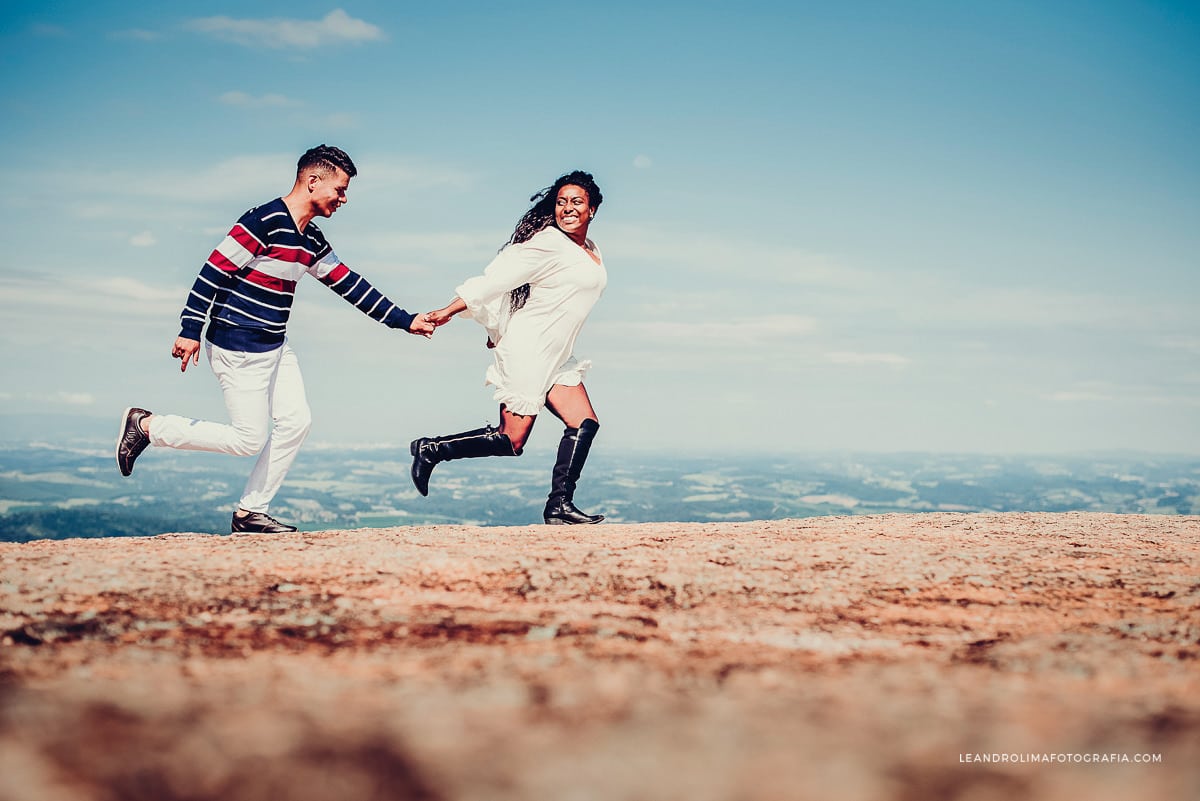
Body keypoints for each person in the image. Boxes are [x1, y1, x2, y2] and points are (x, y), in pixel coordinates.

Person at [116, 145, 436, 533]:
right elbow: (212, 271)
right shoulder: (263, 220)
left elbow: (350, 285)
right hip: (237, 344)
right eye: (340, 189)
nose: (344, 199)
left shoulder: (311, 240)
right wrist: (189, 329)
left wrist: (406, 320)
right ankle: (148, 426)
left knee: (297, 421)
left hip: (275, 346)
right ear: (313, 181)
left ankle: (250, 512)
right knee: (247, 440)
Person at [412, 170, 607, 524]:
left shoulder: (591, 250)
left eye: (576, 202)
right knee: (511, 441)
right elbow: (495, 281)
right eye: (561, 202)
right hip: (529, 349)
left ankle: (559, 505)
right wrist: (447, 311)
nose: (567, 208)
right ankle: (432, 449)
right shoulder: (549, 242)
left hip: (558, 354)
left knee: (584, 424)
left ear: (592, 209)